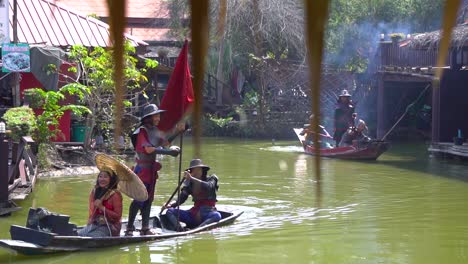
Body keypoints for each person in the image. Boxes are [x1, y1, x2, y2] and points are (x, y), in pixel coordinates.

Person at [125, 104, 184, 236]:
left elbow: (165, 143)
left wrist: (178, 131)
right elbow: (148, 149)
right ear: (149, 117)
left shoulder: (154, 130)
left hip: (151, 170)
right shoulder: (142, 131)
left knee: (149, 199)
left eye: (158, 115)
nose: (158, 118)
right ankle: (129, 228)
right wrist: (169, 153)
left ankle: (145, 228)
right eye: (156, 115)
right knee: (140, 198)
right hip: (142, 170)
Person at [163, 159, 221, 231]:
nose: (196, 172)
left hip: (208, 213)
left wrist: (191, 178)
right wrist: (171, 205)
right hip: (194, 215)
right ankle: (180, 229)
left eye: (198, 170)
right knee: (170, 211)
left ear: (202, 170)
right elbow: (182, 198)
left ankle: (197, 230)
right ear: (191, 172)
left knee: (217, 216)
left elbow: (209, 187)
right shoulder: (190, 184)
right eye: (194, 170)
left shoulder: (212, 178)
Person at [78, 169, 123, 237]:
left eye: (105, 177)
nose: (102, 179)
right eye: (100, 176)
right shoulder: (95, 191)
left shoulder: (115, 195)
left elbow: (117, 216)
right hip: (96, 223)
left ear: (111, 179)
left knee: (92, 236)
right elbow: (92, 212)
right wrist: (90, 221)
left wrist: (102, 207)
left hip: (110, 226)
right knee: (79, 234)